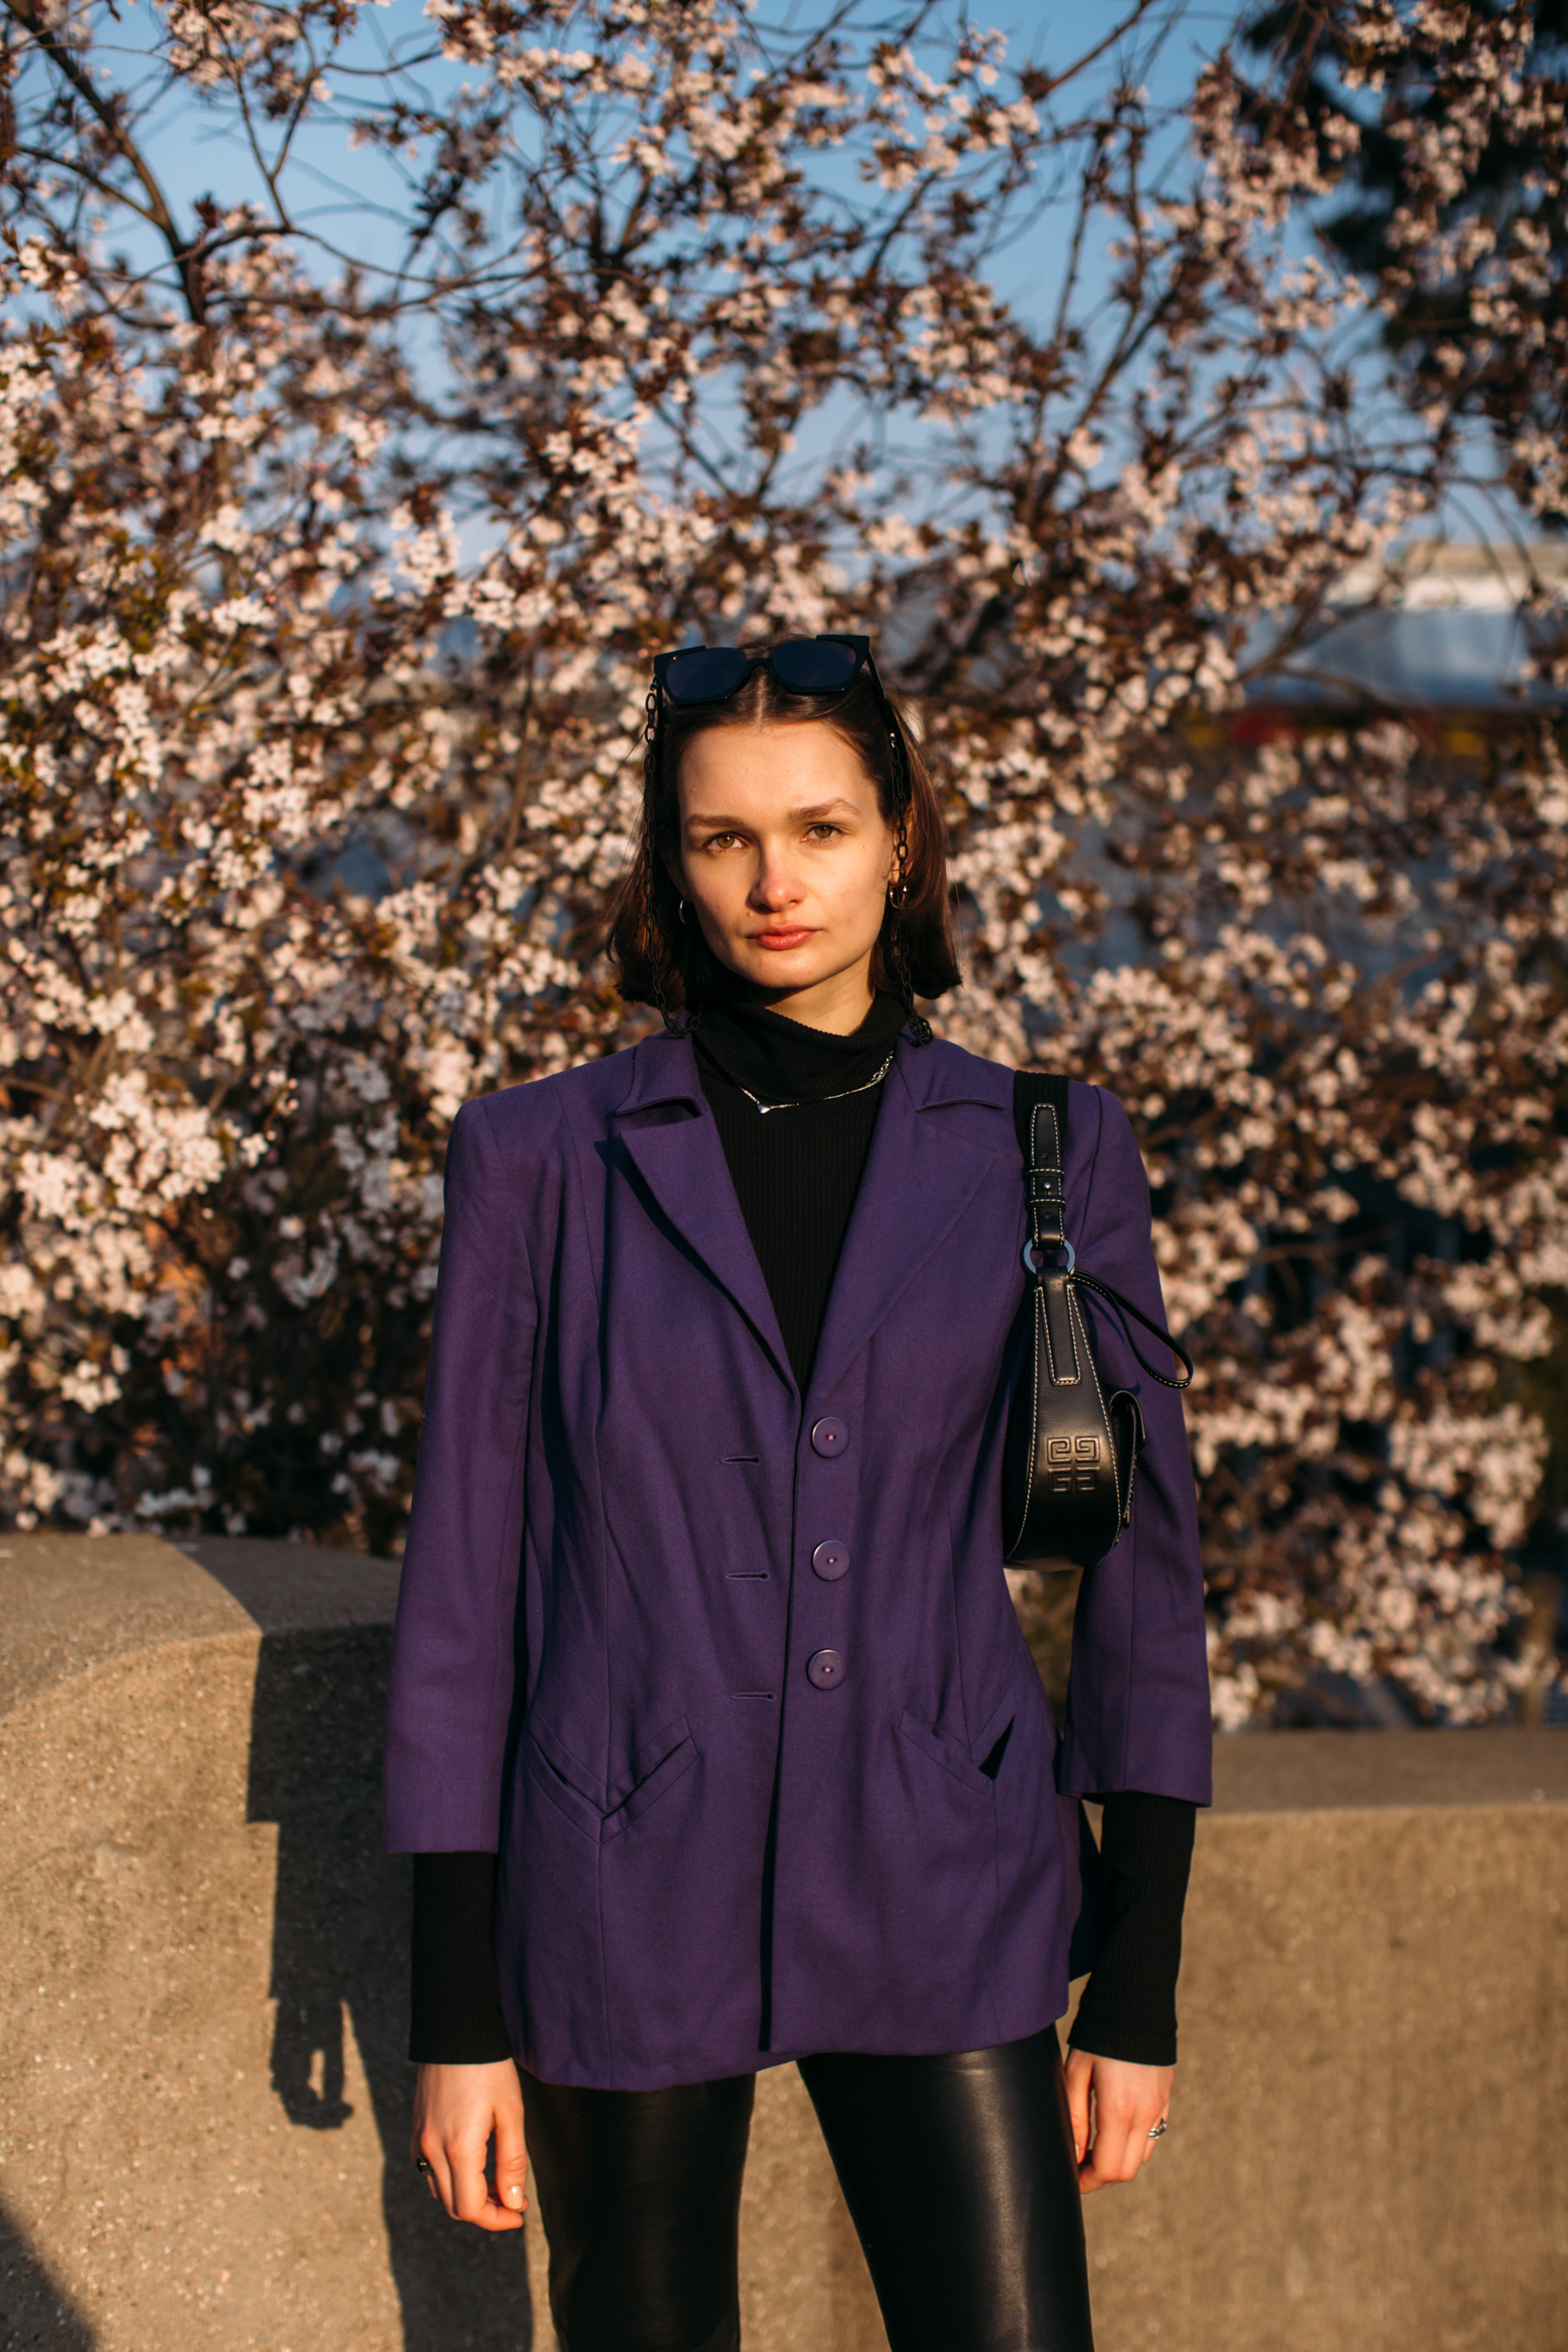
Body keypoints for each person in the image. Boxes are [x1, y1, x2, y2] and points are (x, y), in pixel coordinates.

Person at [383, 634, 1213, 2352]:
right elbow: (466, 1591)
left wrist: (1136, 1983)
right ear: (664, 858)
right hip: (622, 1877)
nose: (775, 883)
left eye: (822, 828)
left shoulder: (1048, 1151)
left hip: (948, 1867)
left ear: (901, 836)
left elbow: (1143, 1578)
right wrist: (455, 2014)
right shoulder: (539, 1160)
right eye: (722, 838)